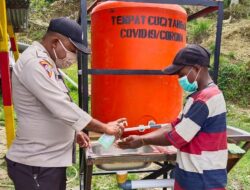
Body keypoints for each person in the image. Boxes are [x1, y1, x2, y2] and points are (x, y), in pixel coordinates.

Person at [5, 17, 126, 190]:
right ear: (55, 42)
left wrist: (74, 131)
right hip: (37, 164)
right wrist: (106, 128)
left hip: (48, 161)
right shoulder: (35, 63)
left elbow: (49, 108)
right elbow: (61, 106)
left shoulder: (47, 63)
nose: (74, 57)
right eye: (72, 50)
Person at [118, 44, 228, 190]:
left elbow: (177, 137)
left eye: (181, 74)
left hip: (202, 178)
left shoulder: (205, 99)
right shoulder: (197, 97)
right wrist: (143, 138)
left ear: (196, 68)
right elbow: (172, 126)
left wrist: (142, 140)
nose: (179, 79)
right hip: (192, 173)